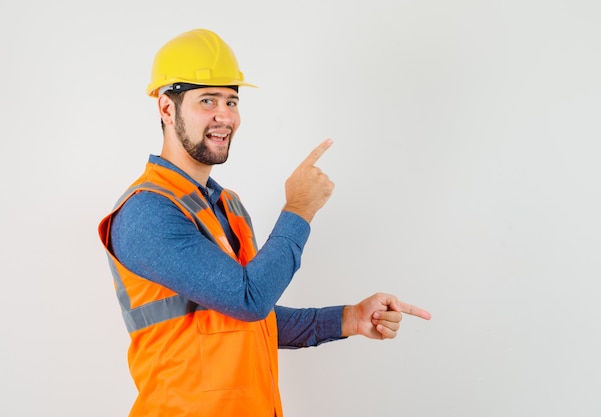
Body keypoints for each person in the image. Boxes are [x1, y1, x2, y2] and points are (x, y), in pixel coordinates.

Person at [97, 28, 431, 417]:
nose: (225, 116)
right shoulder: (148, 212)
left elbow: (247, 321)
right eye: (207, 100)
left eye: (232, 101)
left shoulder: (228, 206)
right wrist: (300, 208)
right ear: (166, 109)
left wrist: (349, 318)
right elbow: (249, 299)